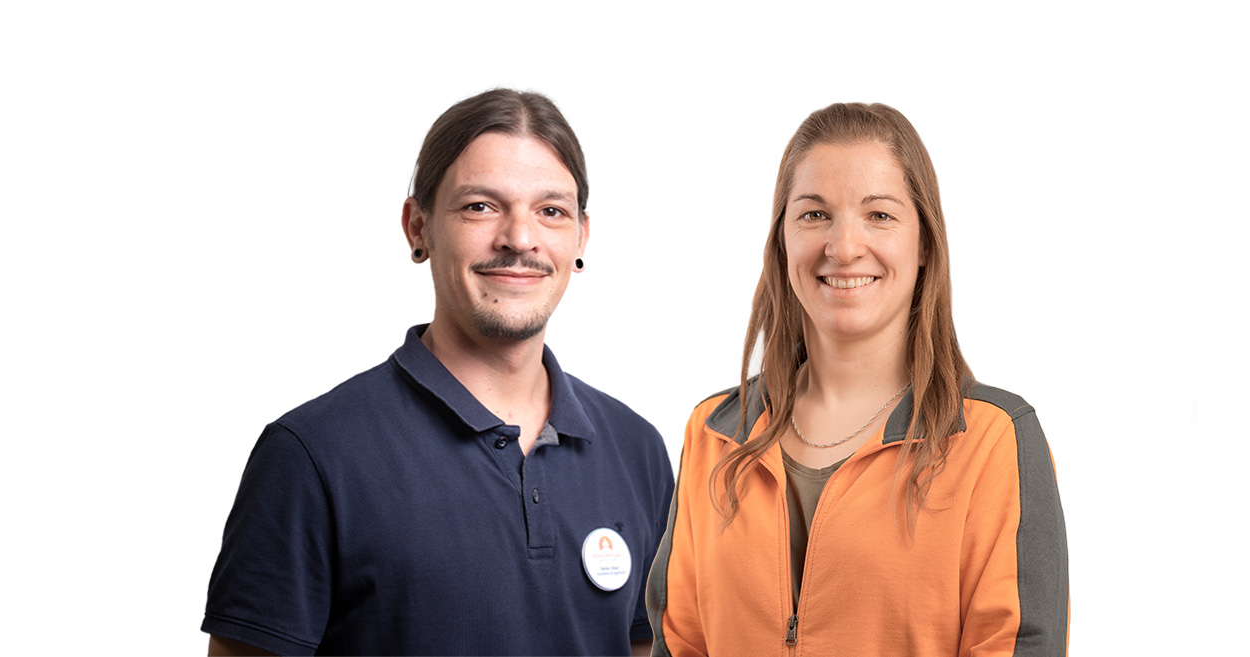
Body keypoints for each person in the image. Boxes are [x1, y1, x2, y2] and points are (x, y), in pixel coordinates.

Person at [203, 88, 674, 656]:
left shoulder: (637, 450)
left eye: (551, 211)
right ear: (418, 227)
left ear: (581, 235)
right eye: (481, 206)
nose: (520, 238)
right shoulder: (311, 456)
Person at [645, 103, 1069, 656]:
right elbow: (679, 644)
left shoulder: (991, 440)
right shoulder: (714, 433)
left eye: (880, 215)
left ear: (924, 243)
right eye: (815, 214)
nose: (844, 247)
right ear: (782, 240)